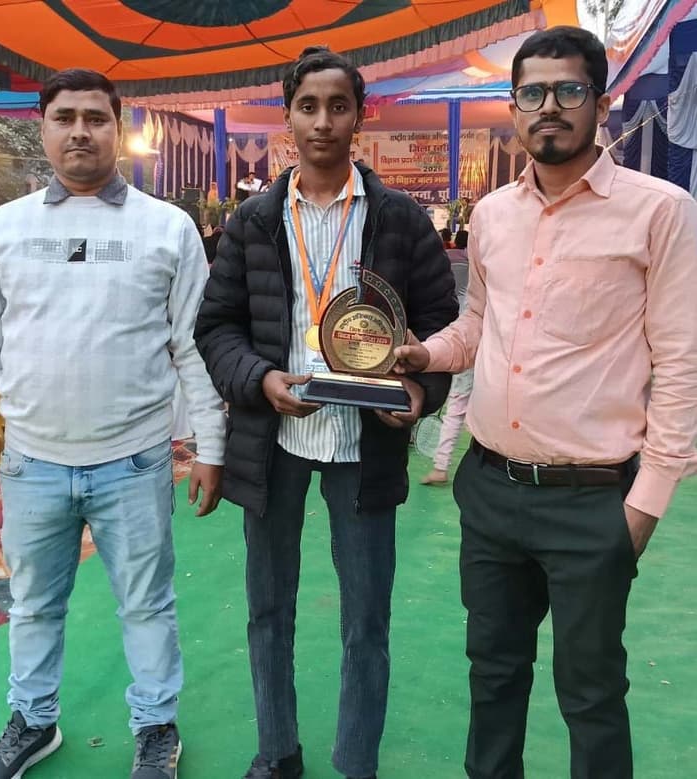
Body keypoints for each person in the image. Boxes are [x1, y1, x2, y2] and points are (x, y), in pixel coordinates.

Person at [394, 26, 697, 779]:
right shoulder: (493, 214)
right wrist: (425, 354)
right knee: (493, 676)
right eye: (532, 93)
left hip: (594, 502)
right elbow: (479, 321)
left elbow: (682, 363)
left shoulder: (660, 211)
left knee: (591, 694)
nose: (549, 107)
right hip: (490, 491)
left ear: (601, 102)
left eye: (568, 90)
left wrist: (645, 505)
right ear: (514, 108)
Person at [0, 68, 226, 779]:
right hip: (31, 462)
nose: (80, 131)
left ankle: (155, 728)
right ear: (42, 128)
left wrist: (212, 446)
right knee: (33, 605)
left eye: (96, 118)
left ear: (118, 129)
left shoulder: (167, 228)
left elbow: (194, 346)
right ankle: (33, 722)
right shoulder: (6, 228)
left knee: (147, 605)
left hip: (134, 461)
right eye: (65, 117)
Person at [195, 45, 457, 779]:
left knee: (366, 618)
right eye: (307, 106)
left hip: (365, 442)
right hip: (273, 437)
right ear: (287, 117)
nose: (322, 121)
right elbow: (216, 327)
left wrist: (419, 392)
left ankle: (356, 761)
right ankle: (276, 751)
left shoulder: (400, 219)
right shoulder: (253, 220)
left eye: (337, 106)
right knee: (267, 608)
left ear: (359, 116)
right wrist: (259, 378)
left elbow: (441, 324)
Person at [421, 229, 472, 486]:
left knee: (457, 406)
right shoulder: (474, 265)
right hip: (476, 343)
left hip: (459, 339)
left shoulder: (446, 261)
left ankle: (441, 466)